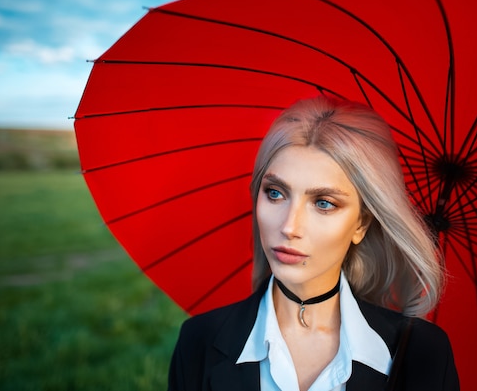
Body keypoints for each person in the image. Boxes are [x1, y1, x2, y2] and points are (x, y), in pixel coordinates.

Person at [168, 96, 460, 391]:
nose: (289, 226)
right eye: (275, 193)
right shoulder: (199, 341)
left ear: (361, 223)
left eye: (323, 203)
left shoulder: (422, 354)